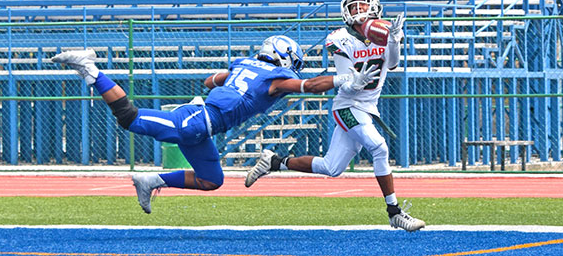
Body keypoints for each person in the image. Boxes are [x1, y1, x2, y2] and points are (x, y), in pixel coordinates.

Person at [51, 35, 371, 214]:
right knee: (129, 118)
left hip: (203, 123)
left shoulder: (243, 64)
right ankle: (90, 68)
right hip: (197, 121)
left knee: (210, 180)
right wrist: (347, 78)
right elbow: (310, 86)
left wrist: (231, 82)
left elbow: (209, 80)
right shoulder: (277, 79)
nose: (294, 71)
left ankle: (149, 180)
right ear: (284, 58)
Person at [245, 0, 426, 233]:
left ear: (373, 6)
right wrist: (355, 82)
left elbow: (392, 64)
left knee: (332, 167)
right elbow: (345, 82)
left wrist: (394, 40)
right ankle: (394, 212)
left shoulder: (383, 34)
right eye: (353, 6)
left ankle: (275, 162)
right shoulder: (340, 38)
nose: (357, 10)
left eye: (361, 5)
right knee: (379, 147)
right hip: (348, 105)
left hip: (368, 107)